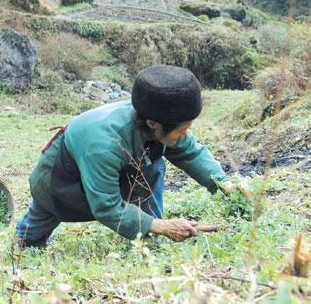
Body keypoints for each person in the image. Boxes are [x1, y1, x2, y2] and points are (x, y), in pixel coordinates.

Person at [16, 65, 242, 247]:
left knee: (154, 166)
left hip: (117, 171)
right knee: (30, 239)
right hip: (60, 181)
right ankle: (26, 240)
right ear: (153, 124)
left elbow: (190, 152)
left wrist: (225, 185)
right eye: (181, 130)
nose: (184, 135)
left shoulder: (154, 119)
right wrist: (161, 226)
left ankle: (147, 236)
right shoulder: (103, 144)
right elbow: (106, 205)